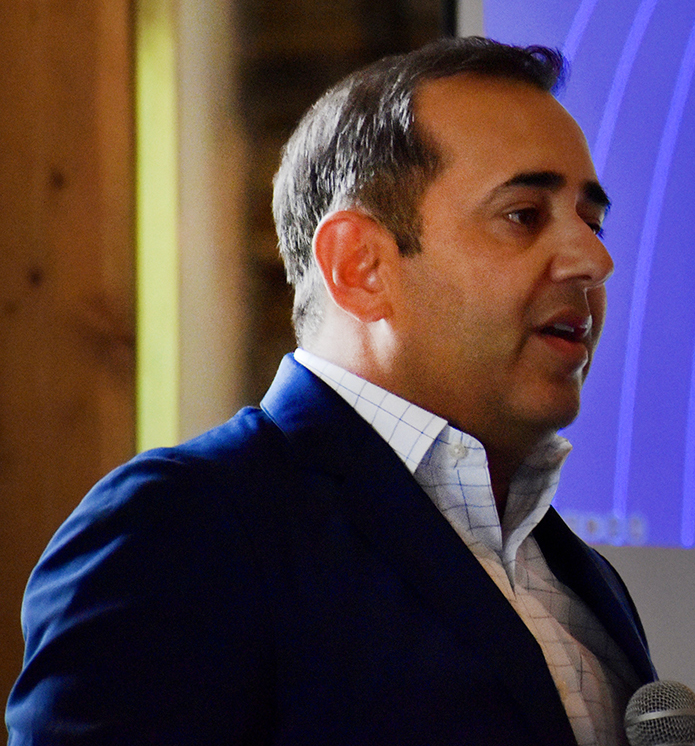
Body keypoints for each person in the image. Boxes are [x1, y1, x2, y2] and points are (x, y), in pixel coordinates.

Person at [7, 37, 654, 745]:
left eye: (592, 220)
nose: (595, 258)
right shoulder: (184, 527)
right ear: (360, 265)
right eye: (524, 214)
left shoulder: (577, 577)